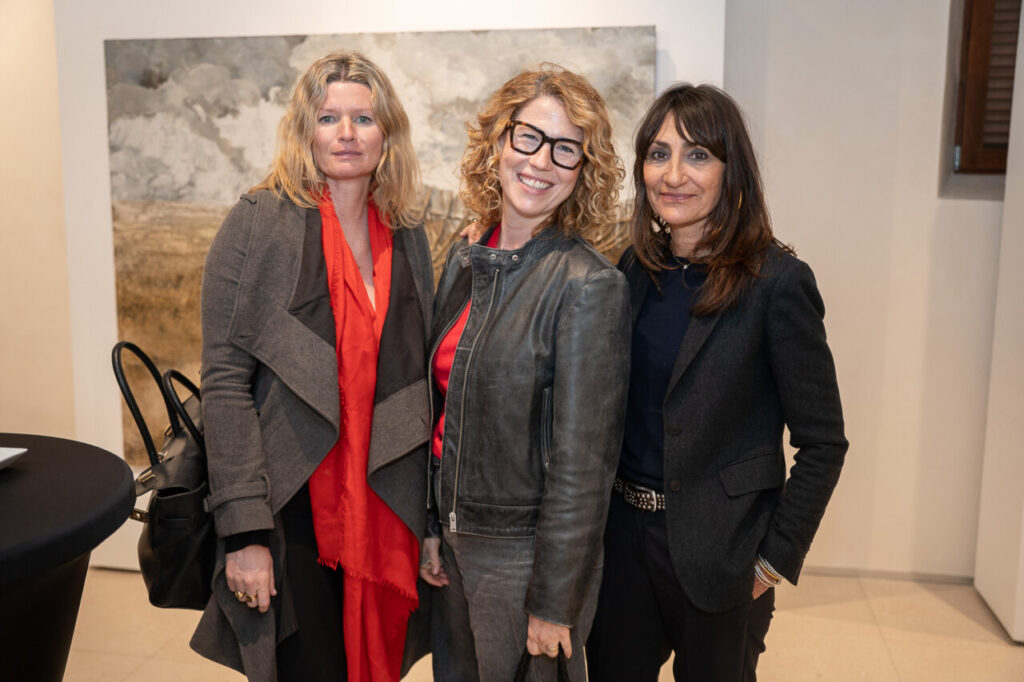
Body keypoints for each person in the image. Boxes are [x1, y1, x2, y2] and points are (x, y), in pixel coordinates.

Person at [585, 83, 848, 681]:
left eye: (698, 154)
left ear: (733, 170)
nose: (673, 173)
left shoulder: (777, 283)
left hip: (723, 553)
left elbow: (824, 442)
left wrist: (773, 561)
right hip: (623, 544)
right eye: (658, 153)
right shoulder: (633, 269)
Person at [189, 51, 434, 682]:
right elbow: (223, 382)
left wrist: (430, 518)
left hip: (385, 502)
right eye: (329, 117)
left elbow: (422, 381)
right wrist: (243, 532)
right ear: (306, 130)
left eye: (363, 118)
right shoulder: (258, 223)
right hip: (290, 509)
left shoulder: (406, 231)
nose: (347, 133)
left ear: (389, 134)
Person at [419, 65, 631, 682]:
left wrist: (555, 602)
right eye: (529, 137)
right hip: (455, 549)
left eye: (567, 149)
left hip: (523, 559)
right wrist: (433, 525)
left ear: (582, 169)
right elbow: (443, 413)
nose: (542, 161)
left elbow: (583, 468)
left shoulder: (589, 285)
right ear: (498, 142)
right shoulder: (466, 259)